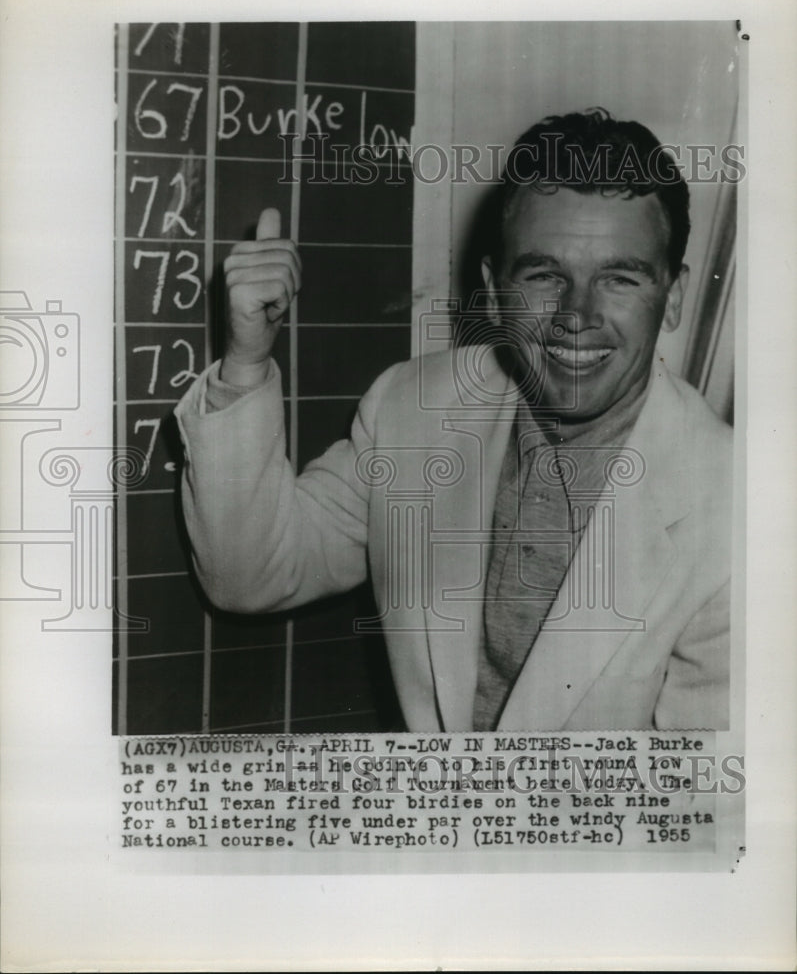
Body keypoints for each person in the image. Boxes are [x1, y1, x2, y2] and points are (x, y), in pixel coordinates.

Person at [175, 109, 732, 733]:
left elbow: (704, 804)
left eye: (620, 278)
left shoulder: (740, 506)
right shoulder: (413, 405)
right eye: (545, 275)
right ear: (493, 291)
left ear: (675, 295)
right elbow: (249, 578)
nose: (577, 314)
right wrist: (246, 361)